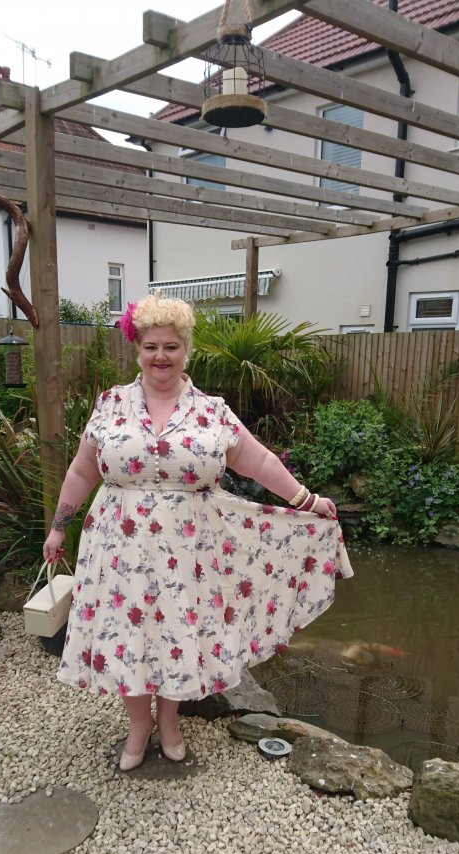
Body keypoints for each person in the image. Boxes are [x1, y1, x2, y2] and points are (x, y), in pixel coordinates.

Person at [43, 293, 353, 770]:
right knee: (128, 633)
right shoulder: (109, 405)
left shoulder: (211, 412)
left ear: (186, 350)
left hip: (190, 550)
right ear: (138, 350)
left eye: (170, 346)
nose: (160, 356)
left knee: (177, 632)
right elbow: (83, 471)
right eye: (151, 346)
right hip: (119, 548)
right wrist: (59, 528)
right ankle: (138, 724)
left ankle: (169, 720)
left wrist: (306, 501)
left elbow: (260, 462)